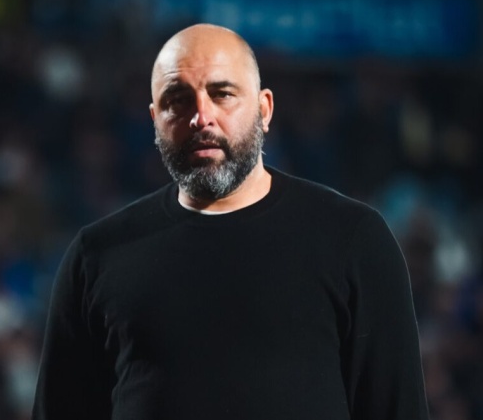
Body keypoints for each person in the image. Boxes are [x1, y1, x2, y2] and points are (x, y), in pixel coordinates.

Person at [32, 24, 429, 420]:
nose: (201, 116)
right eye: (177, 99)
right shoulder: (97, 257)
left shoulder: (353, 241)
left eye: (222, 94)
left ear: (264, 109)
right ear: (155, 119)